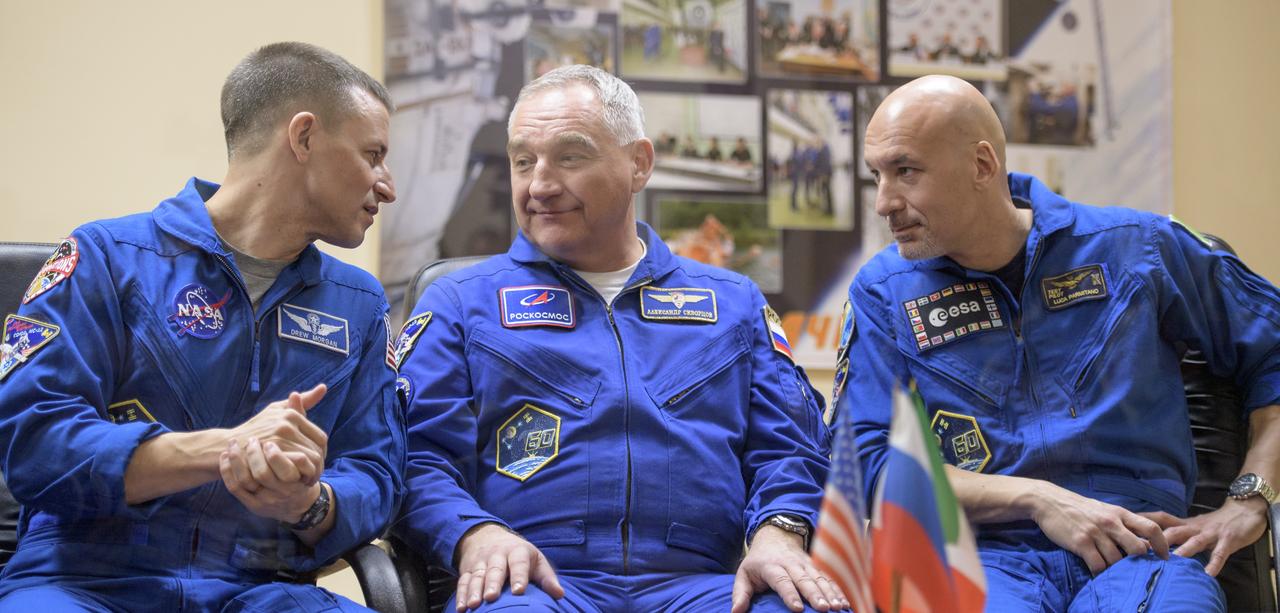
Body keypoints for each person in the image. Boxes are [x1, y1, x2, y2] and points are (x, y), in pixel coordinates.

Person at [394, 65, 837, 613]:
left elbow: (791, 449)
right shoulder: (462, 302)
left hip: (701, 587)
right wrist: (474, 534)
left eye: (571, 157)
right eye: (523, 161)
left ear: (639, 163)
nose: (540, 185)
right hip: (534, 584)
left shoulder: (733, 303)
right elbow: (416, 455)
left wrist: (780, 534)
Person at [841, 75, 1280, 610]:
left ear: (982, 165)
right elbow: (872, 467)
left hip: (1140, 548)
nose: (884, 202)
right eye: (877, 176)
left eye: (905, 171)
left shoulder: (1136, 249)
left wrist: (1253, 498)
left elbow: (1272, 350)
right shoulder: (884, 293)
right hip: (986, 561)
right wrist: (1037, 498)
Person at [0, 42, 405, 611]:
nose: (386, 184)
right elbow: (33, 445)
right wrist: (224, 449)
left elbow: (376, 477)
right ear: (305, 137)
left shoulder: (356, 303)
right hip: (85, 582)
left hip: (261, 590)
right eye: (373, 154)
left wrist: (309, 503)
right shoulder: (107, 258)